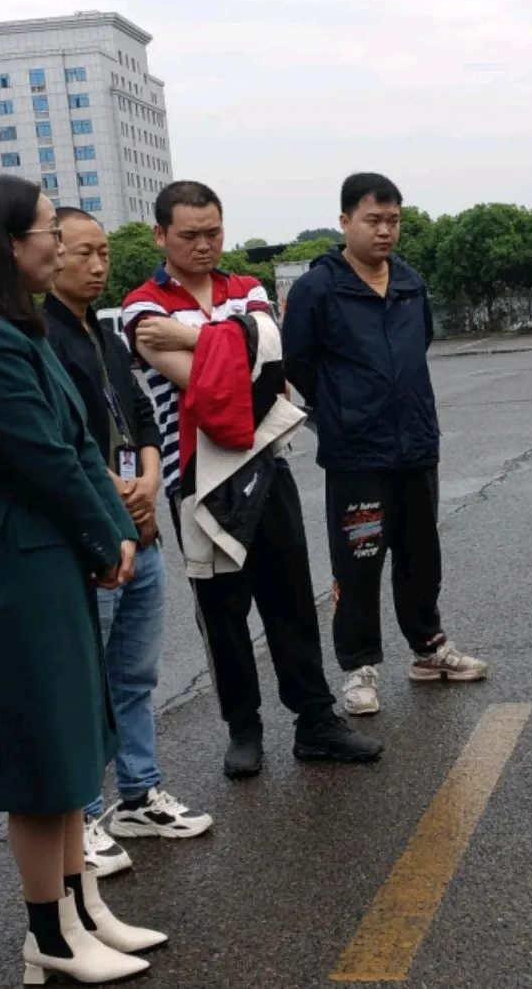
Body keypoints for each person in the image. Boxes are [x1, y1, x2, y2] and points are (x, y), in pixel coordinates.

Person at [0, 175, 165, 983]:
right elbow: (43, 459)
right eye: (47, 231)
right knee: (41, 751)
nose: (58, 243)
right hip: (24, 551)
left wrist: (115, 530)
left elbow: (78, 448)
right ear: (8, 244)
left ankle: (81, 910)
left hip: (53, 543)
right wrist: (109, 535)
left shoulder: (17, 328)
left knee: (71, 738)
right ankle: (51, 935)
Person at [123, 180, 382, 778]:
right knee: (222, 611)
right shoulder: (141, 305)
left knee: (291, 599)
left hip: (268, 464)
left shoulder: (247, 287)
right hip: (198, 478)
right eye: (190, 235)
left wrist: (193, 339)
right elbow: (224, 379)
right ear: (161, 235)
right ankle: (244, 728)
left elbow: (271, 366)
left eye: (214, 231)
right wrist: (240, 348)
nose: (205, 244)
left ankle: (315, 721)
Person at [43, 206, 213, 878]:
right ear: (50, 254)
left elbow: (141, 413)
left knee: (135, 675)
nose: (97, 265)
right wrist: (115, 490)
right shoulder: (41, 337)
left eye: (104, 252)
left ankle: (139, 793)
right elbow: (59, 443)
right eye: (82, 252)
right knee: (87, 680)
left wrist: (147, 474)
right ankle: (84, 812)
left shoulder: (105, 333)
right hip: (92, 533)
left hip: (139, 523)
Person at [282, 173, 488, 717]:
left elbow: (420, 343)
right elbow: (298, 362)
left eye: (393, 220)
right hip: (356, 452)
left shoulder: (409, 282)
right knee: (360, 557)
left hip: (415, 442)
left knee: (421, 555)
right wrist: (340, 409)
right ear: (345, 220)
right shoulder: (317, 288)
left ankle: (428, 648)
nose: (385, 231)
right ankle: (359, 666)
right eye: (373, 220)